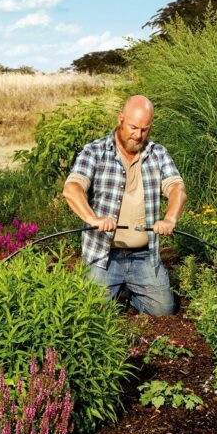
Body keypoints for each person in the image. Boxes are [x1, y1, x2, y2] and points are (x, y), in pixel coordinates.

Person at [62, 95, 187, 315]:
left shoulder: (158, 154)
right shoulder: (95, 151)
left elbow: (177, 189)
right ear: (120, 118)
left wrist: (170, 219)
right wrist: (93, 219)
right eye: (133, 127)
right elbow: (71, 188)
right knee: (92, 312)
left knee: (164, 310)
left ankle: (130, 291)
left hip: (143, 255)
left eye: (145, 129)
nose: (138, 135)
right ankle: (118, 291)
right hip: (104, 254)